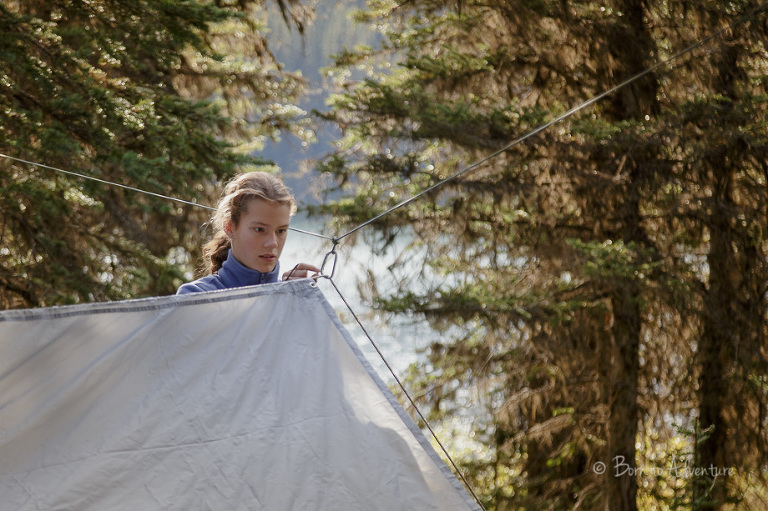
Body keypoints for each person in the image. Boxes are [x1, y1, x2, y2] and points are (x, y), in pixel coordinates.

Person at [177, 172, 320, 295]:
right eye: (259, 229)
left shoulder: (295, 295)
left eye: (281, 231)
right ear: (229, 227)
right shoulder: (195, 295)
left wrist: (293, 303)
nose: (273, 243)